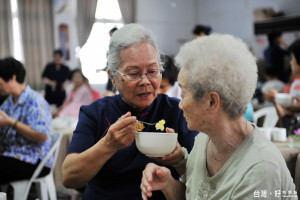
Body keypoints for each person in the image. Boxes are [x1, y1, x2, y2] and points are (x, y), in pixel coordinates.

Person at [141, 34, 296, 200]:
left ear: (212, 102)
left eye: (184, 93)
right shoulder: (204, 140)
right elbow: (191, 195)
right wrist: (167, 183)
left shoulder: (260, 169)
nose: (180, 103)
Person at [62, 24, 198, 199]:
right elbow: (69, 177)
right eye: (134, 73)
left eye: (152, 71)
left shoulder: (177, 111)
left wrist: (180, 161)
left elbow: (202, 180)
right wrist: (108, 145)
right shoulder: (95, 112)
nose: (145, 81)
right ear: (113, 77)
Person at [0, 57, 52, 185]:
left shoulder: (35, 101)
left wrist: (12, 123)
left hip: (33, 160)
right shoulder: (8, 103)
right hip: (12, 155)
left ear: (12, 78)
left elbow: (41, 136)